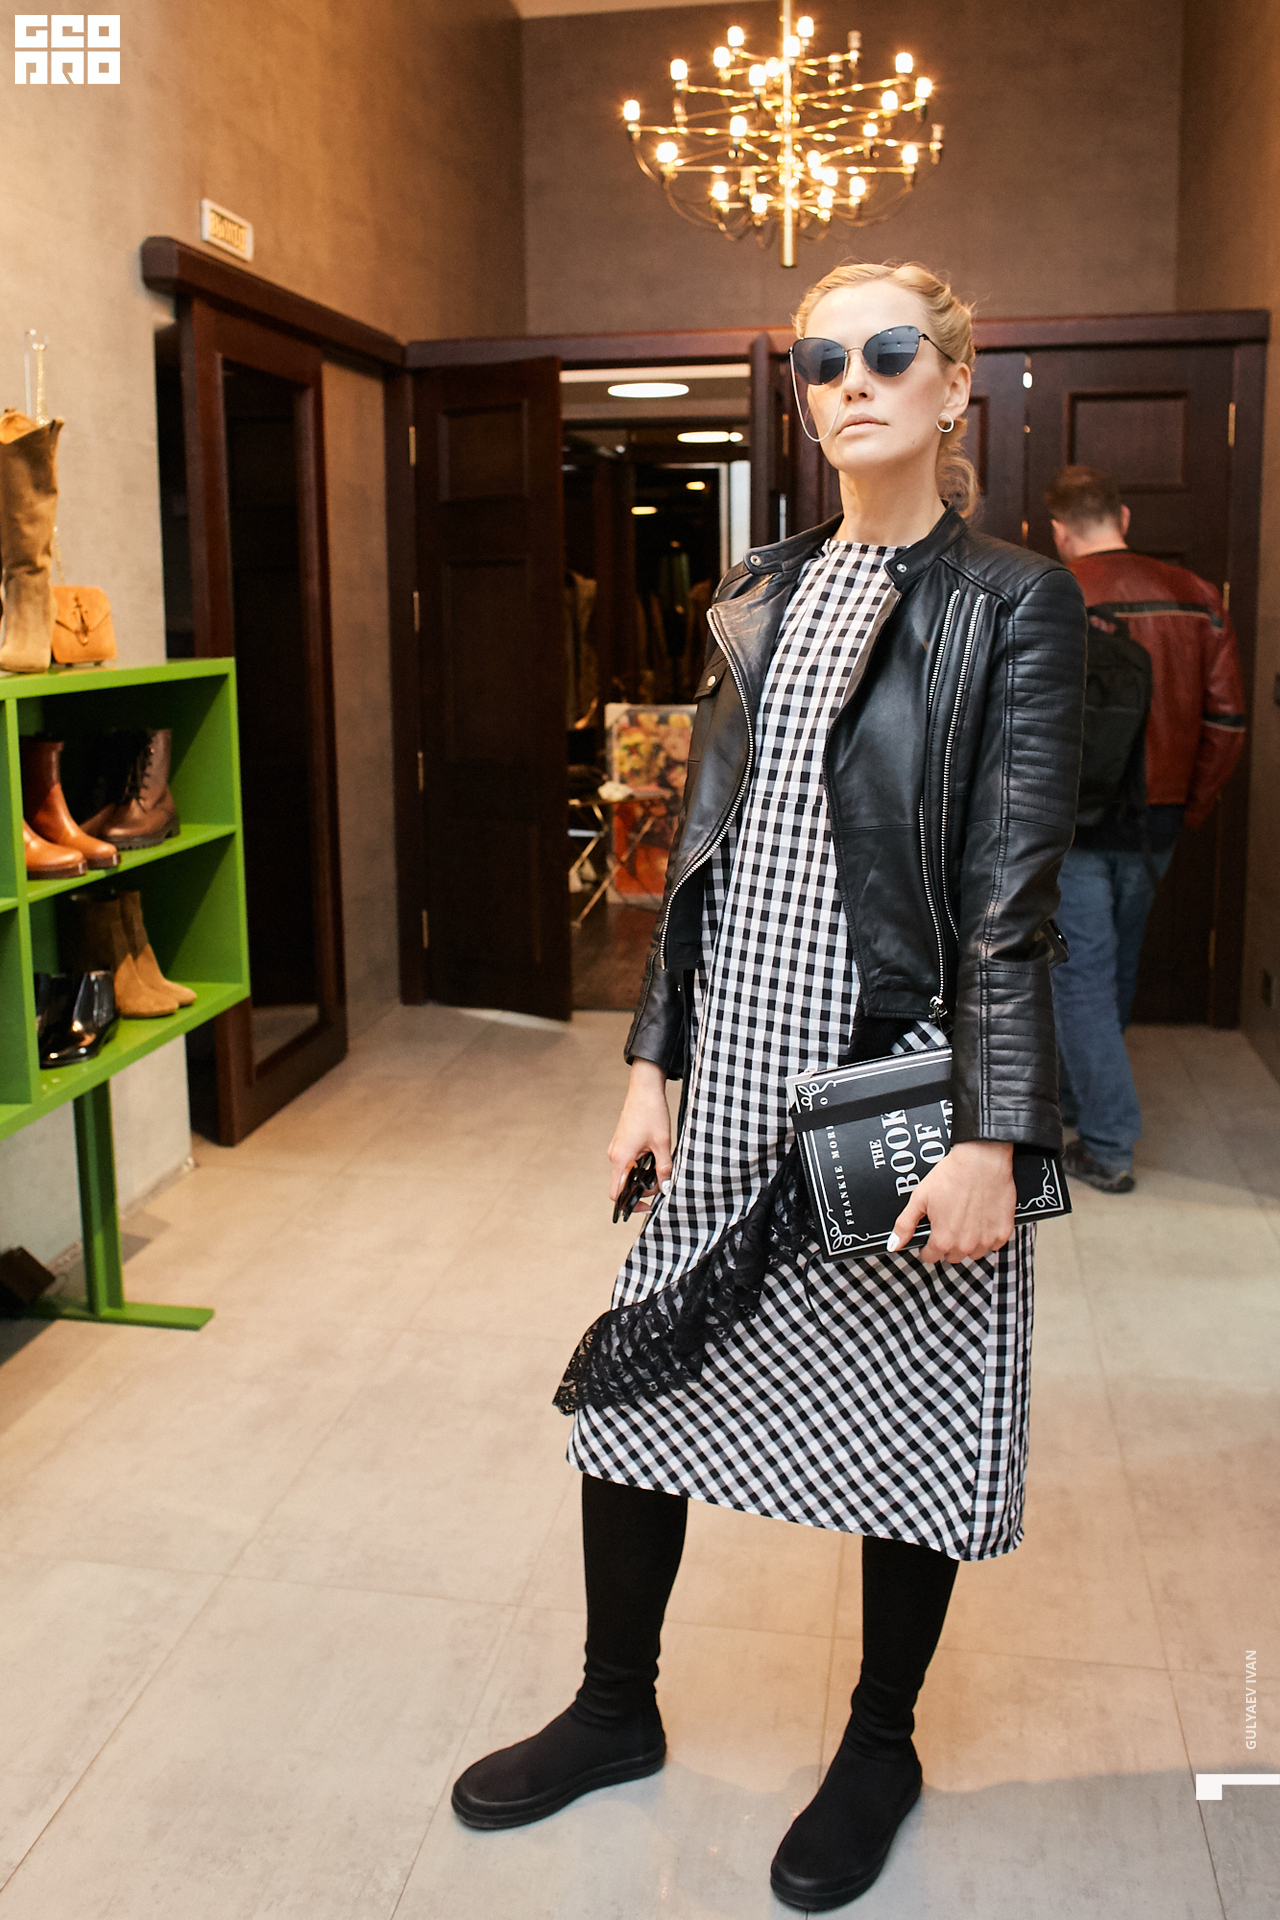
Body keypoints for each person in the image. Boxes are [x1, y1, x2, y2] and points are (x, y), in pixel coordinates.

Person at [450, 262, 1086, 1912]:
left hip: (897, 1068)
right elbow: (703, 851)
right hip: (734, 1050)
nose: (852, 380)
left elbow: (1014, 895)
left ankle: (880, 1746)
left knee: (911, 1411)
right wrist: (649, 1061)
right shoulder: (764, 586)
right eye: (822, 359)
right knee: (636, 1382)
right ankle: (615, 1709)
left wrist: (995, 1132)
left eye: (890, 352)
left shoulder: (1014, 601)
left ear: (955, 385)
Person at [1046, 465, 1247, 1193]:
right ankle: (1078, 1102)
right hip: (1157, 819)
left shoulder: (1053, 593)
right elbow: (1227, 721)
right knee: (1115, 966)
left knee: (1080, 976)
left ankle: (1106, 1142)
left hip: (1075, 820)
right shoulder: (1197, 598)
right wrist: (1190, 806)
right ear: (1124, 517)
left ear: (1059, 532)